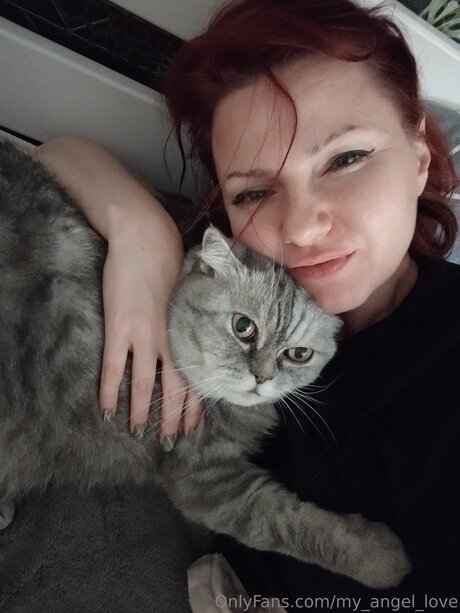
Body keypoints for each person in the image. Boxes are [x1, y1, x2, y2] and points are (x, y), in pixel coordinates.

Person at [34, 0, 459, 607]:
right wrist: (140, 231)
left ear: (419, 159)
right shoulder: (232, 266)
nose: (302, 228)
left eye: (345, 159)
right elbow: (58, 152)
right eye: (254, 192)